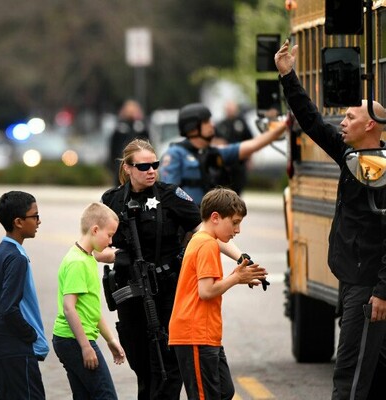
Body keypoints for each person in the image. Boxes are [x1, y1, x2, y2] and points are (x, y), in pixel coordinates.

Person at [275, 40, 386, 400]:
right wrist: (288, 75)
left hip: (368, 285)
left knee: (349, 375)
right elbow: (310, 120)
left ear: (371, 124)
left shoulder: (380, 170)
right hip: (351, 278)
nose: (342, 121)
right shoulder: (350, 153)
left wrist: (381, 291)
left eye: (350, 117)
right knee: (369, 371)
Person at [97, 138, 246, 400]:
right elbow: (96, 247)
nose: (151, 170)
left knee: (168, 366)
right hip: (131, 295)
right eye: (143, 167)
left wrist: (240, 257)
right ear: (128, 168)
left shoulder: (169, 195)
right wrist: (115, 255)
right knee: (142, 364)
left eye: (154, 164)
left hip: (167, 294)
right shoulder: (112, 200)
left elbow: (207, 231)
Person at [168, 188, 268, 400]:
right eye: (234, 222)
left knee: (224, 392)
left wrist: (238, 275)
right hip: (195, 334)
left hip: (206, 335)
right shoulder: (207, 245)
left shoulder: (203, 241)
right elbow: (206, 292)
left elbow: (207, 286)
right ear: (215, 217)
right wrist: (236, 278)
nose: (237, 230)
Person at [52, 202, 126, 399]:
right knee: (106, 395)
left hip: (72, 339)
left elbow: (91, 310)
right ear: (95, 229)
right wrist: (85, 346)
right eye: (109, 235)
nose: (111, 242)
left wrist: (110, 340)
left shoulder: (88, 258)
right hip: (74, 340)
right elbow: (69, 308)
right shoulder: (77, 262)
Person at [0, 191, 49, 399]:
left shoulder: (2, 249)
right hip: (14, 344)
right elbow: (9, 307)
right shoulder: (16, 258)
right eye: (35, 216)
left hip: (1, 339)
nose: (39, 221)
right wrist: (30, 335)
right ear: (19, 222)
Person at [158, 102, 287, 204]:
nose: (212, 125)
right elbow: (169, 196)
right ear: (192, 128)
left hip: (209, 223)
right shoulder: (175, 155)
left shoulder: (213, 153)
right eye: (206, 122)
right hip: (187, 229)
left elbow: (252, 145)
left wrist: (284, 125)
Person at [214, 101, 254, 195]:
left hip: (239, 161)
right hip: (225, 163)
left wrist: (250, 159)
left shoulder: (241, 123)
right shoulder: (221, 124)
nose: (229, 111)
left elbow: (250, 141)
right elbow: (214, 140)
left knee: (237, 188)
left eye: (231, 109)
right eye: (228, 109)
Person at [108, 99, 150, 185]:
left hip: (140, 165)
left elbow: (148, 145)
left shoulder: (141, 127)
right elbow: (113, 149)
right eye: (129, 110)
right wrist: (114, 165)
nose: (131, 112)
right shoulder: (120, 128)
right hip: (122, 165)